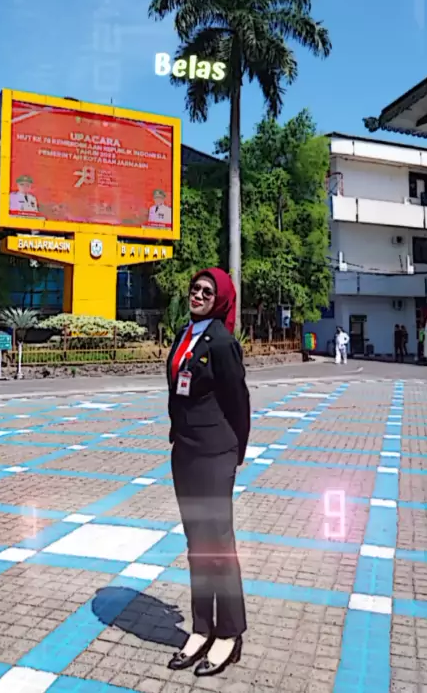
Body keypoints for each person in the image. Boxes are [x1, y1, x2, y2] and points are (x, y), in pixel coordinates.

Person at [167, 268, 250, 678]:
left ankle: (229, 634)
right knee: (196, 544)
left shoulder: (221, 342)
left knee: (218, 544)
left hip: (215, 453)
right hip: (184, 452)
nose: (198, 295)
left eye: (207, 291)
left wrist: (235, 452)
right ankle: (201, 628)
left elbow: (239, 400)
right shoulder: (184, 334)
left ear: (220, 300)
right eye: (195, 288)